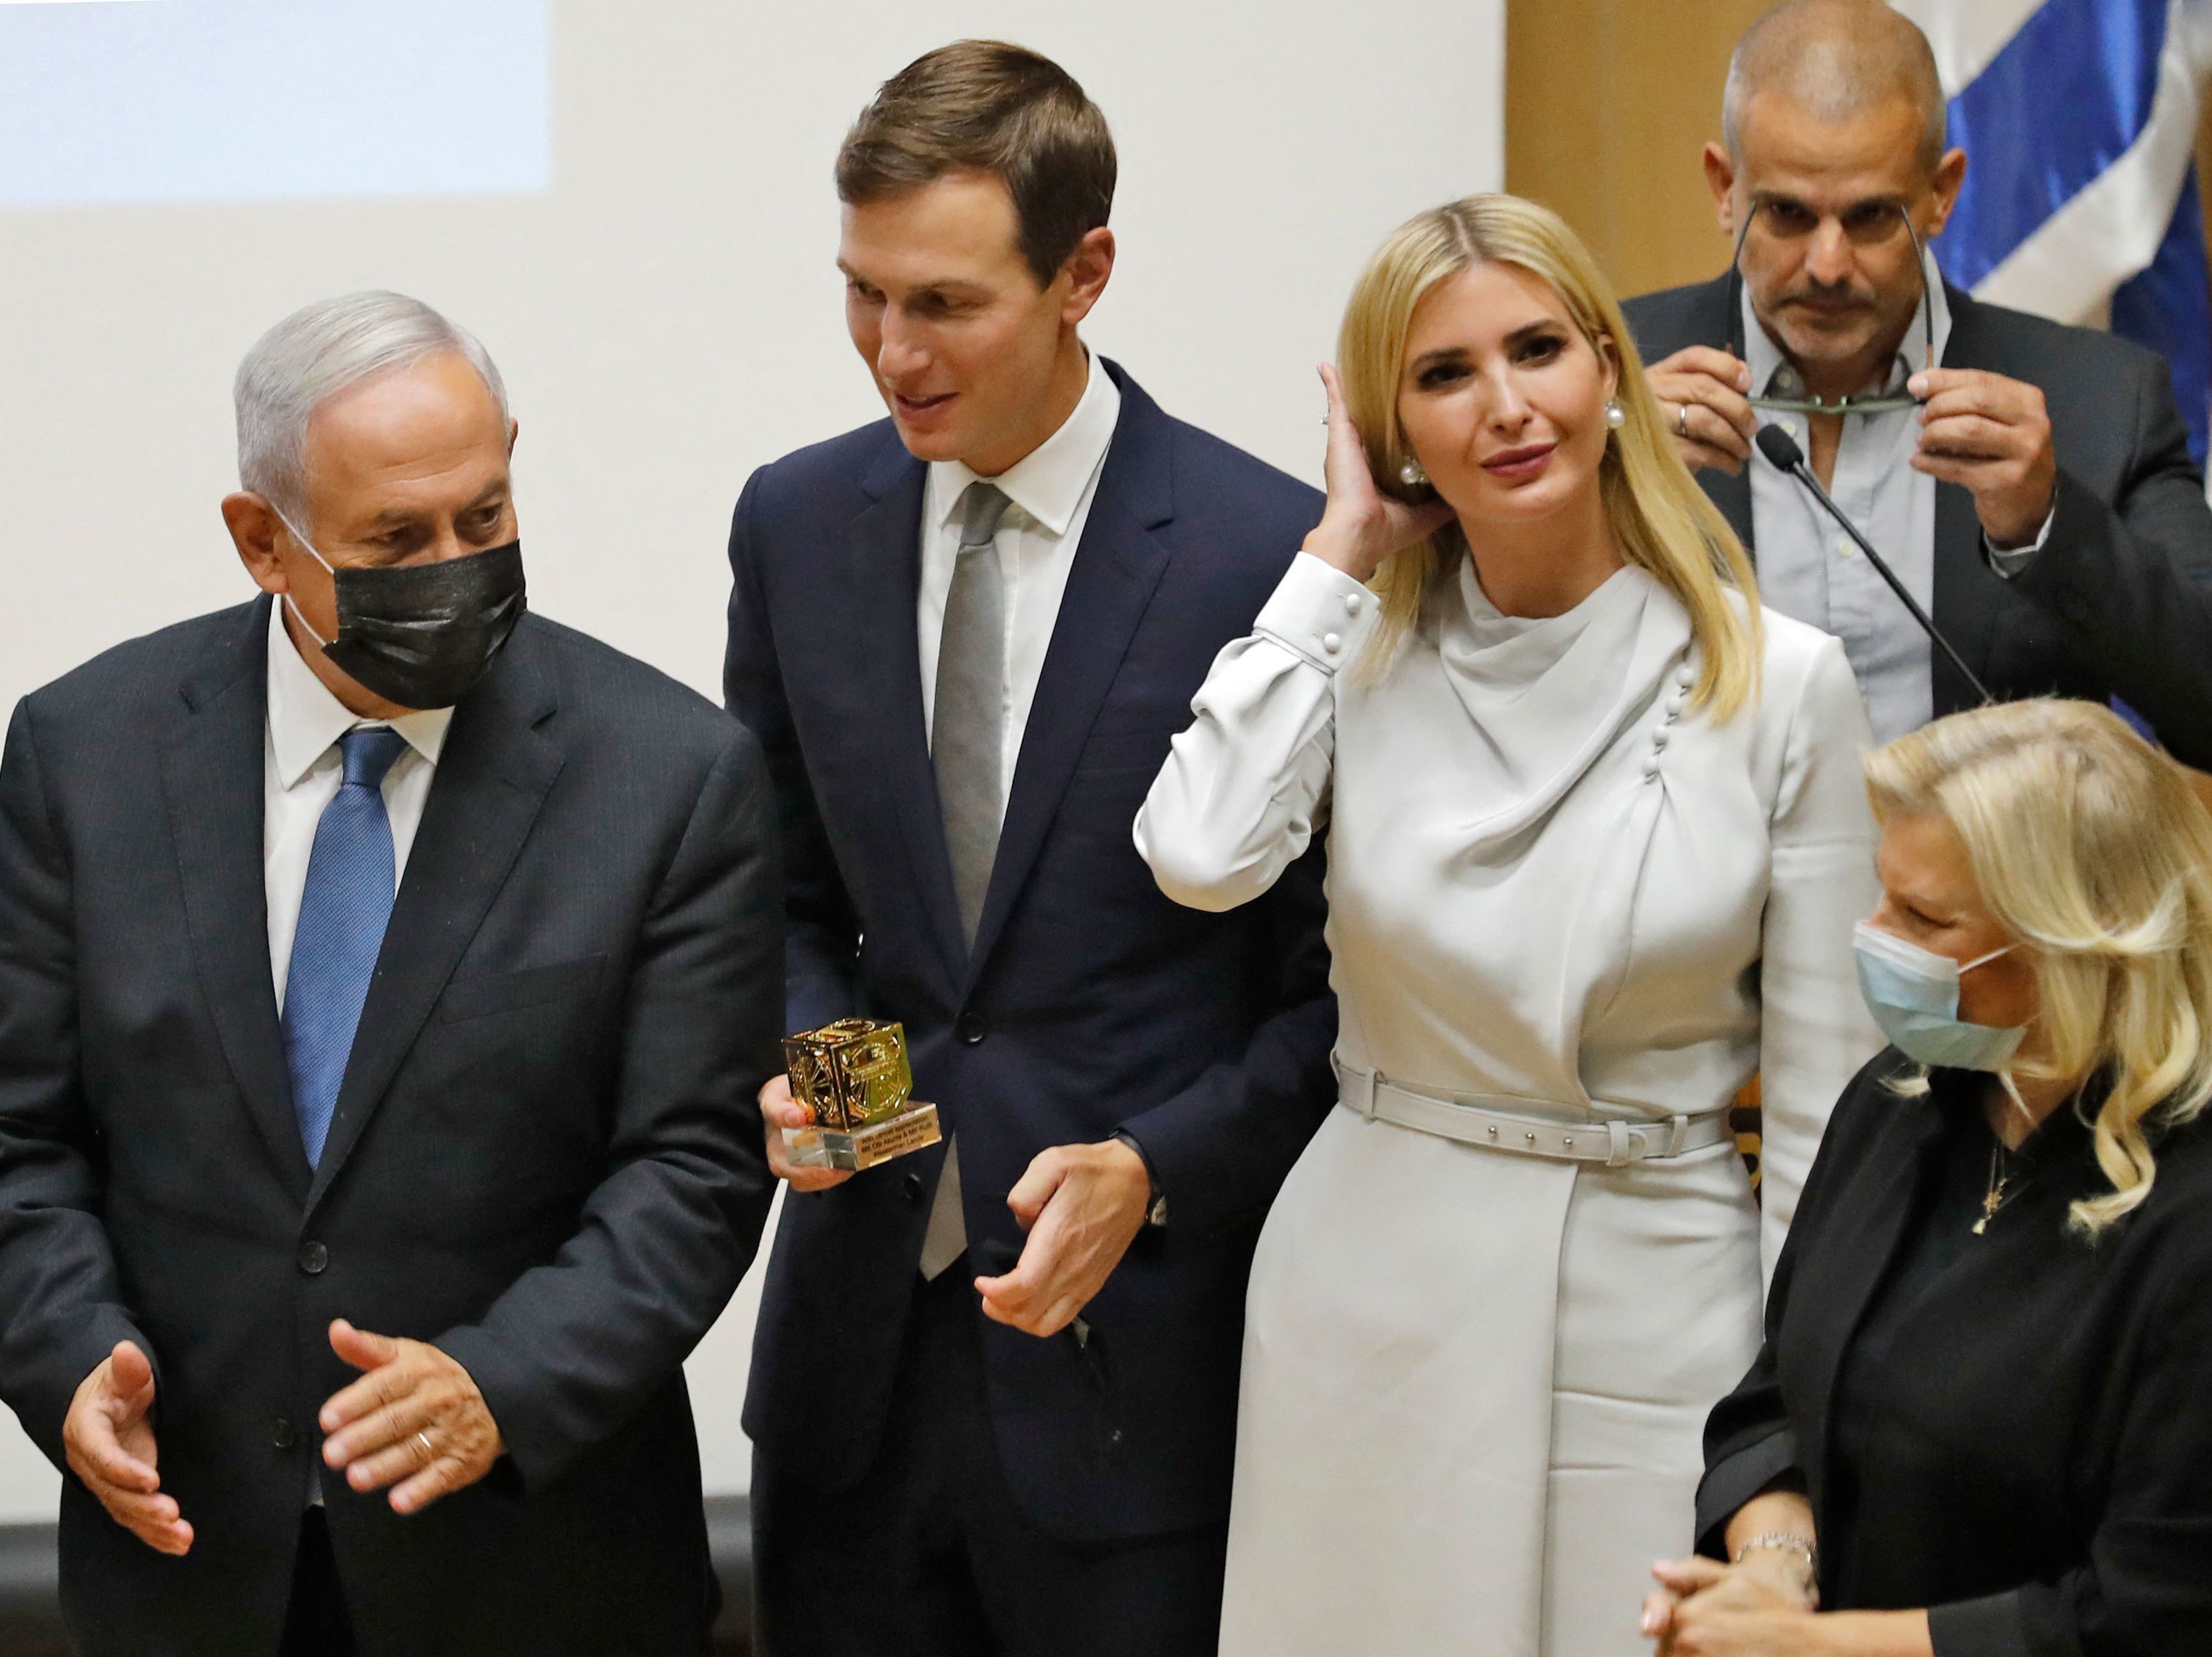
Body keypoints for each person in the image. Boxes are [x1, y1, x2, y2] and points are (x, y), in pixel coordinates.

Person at [1136, 193, 1886, 1656]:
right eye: (1442, 374)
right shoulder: (1353, 647)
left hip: (1663, 1293)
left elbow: (1825, 1114)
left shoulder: (1781, 680)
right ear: (1389, 426)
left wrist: (1790, 1432)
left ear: (1608, 368)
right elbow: (1200, 854)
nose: (1505, 405)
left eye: (1537, 348)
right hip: (1370, 1290)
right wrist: (1342, 543)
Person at [0, 292, 782, 1656]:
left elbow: (694, 1161)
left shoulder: (667, 773)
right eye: (394, 540)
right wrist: (66, 1354)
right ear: (262, 540)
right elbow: (19, 1138)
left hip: (538, 1564)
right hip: (189, 1562)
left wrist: (505, 1376)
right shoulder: (85, 753)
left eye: (484, 518)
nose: (454, 564)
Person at [723, 41, 1335, 1657]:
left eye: (943, 304)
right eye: (862, 294)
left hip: (1135, 1379)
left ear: (1083, 276)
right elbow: (774, 893)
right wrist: (829, 1084)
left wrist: (1154, 1170)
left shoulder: (1257, 552)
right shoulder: (793, 522)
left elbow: (1334, 997)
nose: (888, 352)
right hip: (852, 1368)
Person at [1646, 697, 2212, 1656]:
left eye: (1922, 916)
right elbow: (1775, 1396)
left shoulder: (2189, 1213)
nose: (1873, 937)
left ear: (2073, 942)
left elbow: (2157, 1611)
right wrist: (1771, 1565)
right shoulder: (1897, 1098)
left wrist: (1815, 1649)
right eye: (1880, 896)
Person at [1624, 0, 2212, 762]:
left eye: (1871, 217)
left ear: (1941, 194)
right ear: (1724, 188)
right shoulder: (1607, 376)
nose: (1827, 264)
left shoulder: (2101, 397)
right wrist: (1604, 482)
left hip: (1984, 878)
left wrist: (2046, 524)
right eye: (1788, 214)